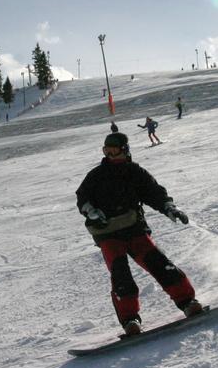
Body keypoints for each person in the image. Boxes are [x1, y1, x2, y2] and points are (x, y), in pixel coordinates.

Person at [75, 132, 203, 335]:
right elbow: (82, 198)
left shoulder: (134, 172)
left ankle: (188, 302)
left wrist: (169, 207)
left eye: (113, 150)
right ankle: (130, 320)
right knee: (121, 276)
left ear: (124, 150)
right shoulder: (96, 176)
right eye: (106, 150)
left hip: (134, 229)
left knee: (160, 264)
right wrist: (91, 211)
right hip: (108, 235)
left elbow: (154, 193)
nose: (109, 154)